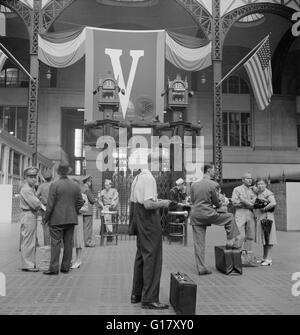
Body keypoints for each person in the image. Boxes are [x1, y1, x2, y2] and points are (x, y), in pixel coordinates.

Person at [130, 153, 171, 310]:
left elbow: (136, 203)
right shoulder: (149, 178)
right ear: (154, 163)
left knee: (141, 256)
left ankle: (137, 294)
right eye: (161, 164)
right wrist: (163, 203)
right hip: (149, 221)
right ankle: (150, 299)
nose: (162, 167)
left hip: (140, 220)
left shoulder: (138, 177)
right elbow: (148, 204)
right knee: (153, 258)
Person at [190, 164, 242, 276]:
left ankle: (201, 268)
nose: (215, 172)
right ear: (208, 170)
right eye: (214, 170)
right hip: (208, 214)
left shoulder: (194, 185)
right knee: (229, 217)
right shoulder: (214, 184)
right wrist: (221, 201)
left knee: (199, 243)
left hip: (196, 215)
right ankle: (230, 240)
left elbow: (193, 200)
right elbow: (217, 203)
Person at [43, 162, 84, 275]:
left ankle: (54, 268)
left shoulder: (55, 185)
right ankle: (66, 267)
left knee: (55, 243)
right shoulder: (75, 185)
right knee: (68, 243)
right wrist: (73, 210)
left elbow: (50, 205)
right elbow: (80, 201)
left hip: (56, 220)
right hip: (71, 219)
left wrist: (45, 218)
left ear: (58, 172)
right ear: (68, 172)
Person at [19, 167, 45, 272]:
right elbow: (35, 203)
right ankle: (28, 265)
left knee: (31, 240)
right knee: (28, 241)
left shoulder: (30, 188)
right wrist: (45, 209)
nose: (34, 179)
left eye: (35, 177)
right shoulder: (26, 189)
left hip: (31, 216)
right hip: (28, 215)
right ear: (26, 177)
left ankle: (30, 263)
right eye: (31, 177)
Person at [231, 172, 258, 266]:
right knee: (240, 235)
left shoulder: (253, 190)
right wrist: (246, 203)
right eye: (247, 178)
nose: (249, 180)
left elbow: (255, 202)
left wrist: (243, 201)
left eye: (251, 178)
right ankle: (238, 259)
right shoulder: (237, 189)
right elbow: (234, 202)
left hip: (250, 213)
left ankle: (248, 260)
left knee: (250, 236)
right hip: (240, 212)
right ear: (243, 180)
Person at [254, 178, 277, 266]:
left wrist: (264, 208)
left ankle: (269, 259)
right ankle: (264, 257)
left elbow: (273, 203)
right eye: (258, 184)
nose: (260, 186)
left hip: (267, 218)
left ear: (266, 184)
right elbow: (253, 188)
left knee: (269, 238)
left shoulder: (268, 193)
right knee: (265, 238)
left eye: (262, 184)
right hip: (262, 218)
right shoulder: (260, 192)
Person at [71, 178, 89, 269]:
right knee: (69, 241)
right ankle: (70, 260)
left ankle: (78, 260)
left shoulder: (83, 196)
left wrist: (77, 210)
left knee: (78, 240)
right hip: (69, 220)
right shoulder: (68, 196)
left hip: (78, 219)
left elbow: (86, 208)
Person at [36, 170, 53, 246]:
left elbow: (36, 196)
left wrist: (41, 200)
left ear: (44, 178)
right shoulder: (54, 185)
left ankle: (47, 246)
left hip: (44, 209)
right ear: (52, 177)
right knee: (55, 228)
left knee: (46, 228)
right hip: (54, 209)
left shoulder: (41, 186)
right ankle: (55, 245)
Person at [82, 175, 97, 247]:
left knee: (84, 226)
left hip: (83, 210)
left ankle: (83, 241)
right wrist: (95, 199)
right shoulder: (87, 189)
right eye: (90, 181)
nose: (91, 183)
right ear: (88, 181)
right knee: (88, 227)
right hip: (88, 210)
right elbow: (92, 199)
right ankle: (88, 242)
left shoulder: (82, 188)